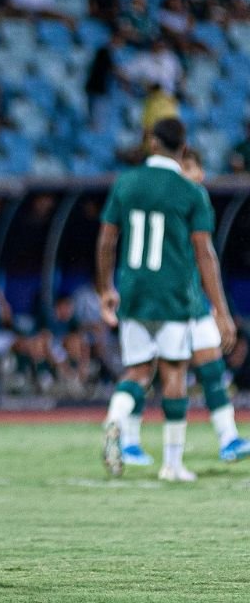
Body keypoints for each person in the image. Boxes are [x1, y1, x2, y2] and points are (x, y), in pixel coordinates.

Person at [98, 117, 235, 482]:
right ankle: (172, 464)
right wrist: (220, 310)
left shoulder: (125, 183)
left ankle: (115, 418)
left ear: (153, 144)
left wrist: (105, 289)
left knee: (139, 372)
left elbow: (107, 241)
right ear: (183, 146)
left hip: (134, 291)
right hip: (173, 295)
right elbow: (205, 254)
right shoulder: (191, 193)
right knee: (174, 372)